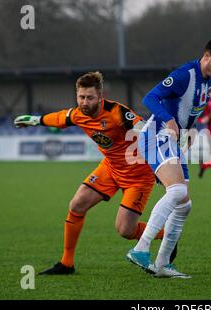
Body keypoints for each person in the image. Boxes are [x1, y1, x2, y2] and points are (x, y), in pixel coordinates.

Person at [13, 71, 169, 275]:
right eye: (81, 97)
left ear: (100, 97)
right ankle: (66, 263)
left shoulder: (117, 112)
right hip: (110, 168)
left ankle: (168, 237)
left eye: (89, 97)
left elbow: (144, 129)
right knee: (77, 204)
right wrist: (35, 120)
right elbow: (60, 118)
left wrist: (158, 162)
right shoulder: (78, 113)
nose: (84, 102)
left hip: (137, 176)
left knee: (125, 230)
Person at [126, 37, 211, 278]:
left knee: (184, 205)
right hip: (157, 135)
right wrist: (169, 119)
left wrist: (190, 130)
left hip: (174, 140)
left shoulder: (207, 82)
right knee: (175, 192)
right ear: (207, 57)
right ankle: (140, 249)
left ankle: (163, 264)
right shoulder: (185, 74)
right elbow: (150, 98)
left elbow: (191, 109)